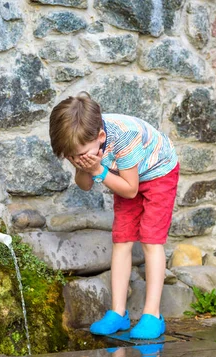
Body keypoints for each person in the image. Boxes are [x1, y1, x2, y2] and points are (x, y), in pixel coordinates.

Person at [49, 92, 179, 340]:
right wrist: (86, 167)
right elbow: (85, 184)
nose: (78, 160)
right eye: (72, 158)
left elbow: (130, 190)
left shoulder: (123, 137)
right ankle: (118, 313)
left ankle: (152, 315)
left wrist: (97, 168)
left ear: (100, 137)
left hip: (159, 172)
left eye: (81, 155)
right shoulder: (80, 143)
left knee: (151, 240)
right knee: (122, 239)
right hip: (125, 176)